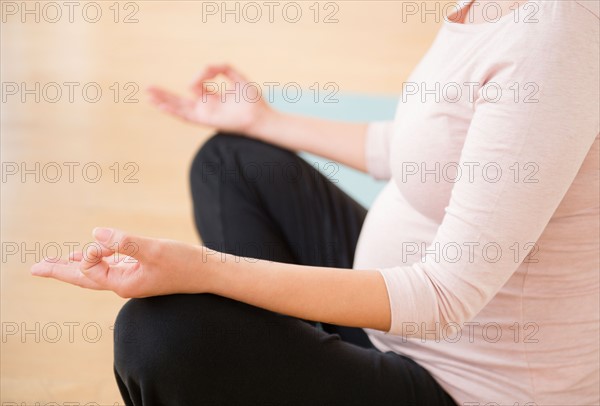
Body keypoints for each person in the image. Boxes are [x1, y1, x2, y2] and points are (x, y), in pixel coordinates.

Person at [32, 0, 599, 404]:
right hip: (393, 317)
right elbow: (426, 152)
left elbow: (443, 296)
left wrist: (203, 271)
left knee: (157, 336)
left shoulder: (555, 35)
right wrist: (264, 121)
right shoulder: (482, 7)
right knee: (231, 159)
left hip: (462, 381)